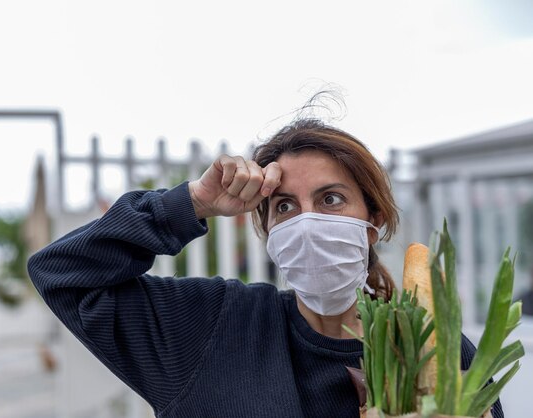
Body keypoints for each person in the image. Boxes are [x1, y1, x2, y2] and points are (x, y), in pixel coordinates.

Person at [28, 118, 503, 417]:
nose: (309, 221)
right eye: (284, 207)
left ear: (372, 219)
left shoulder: (435, 349)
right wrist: (190, 203)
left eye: (331, 199)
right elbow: (64, 273)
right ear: (267, 229)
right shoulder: (209, 326)